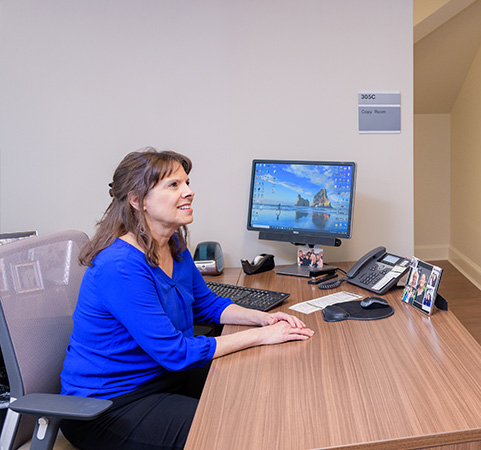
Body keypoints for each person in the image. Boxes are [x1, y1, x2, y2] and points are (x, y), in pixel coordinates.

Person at [60, 148, 314, 450]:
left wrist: (263, 319)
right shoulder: (120, 267)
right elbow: (176, 353)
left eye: (187, 183)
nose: (189, 192)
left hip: (164, 377)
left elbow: (205, 304)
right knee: (234, 431)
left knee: (260, 390)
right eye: (173, 185)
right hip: (109, 406)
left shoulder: (173, 243)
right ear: (138, 200)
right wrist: (262, 336)